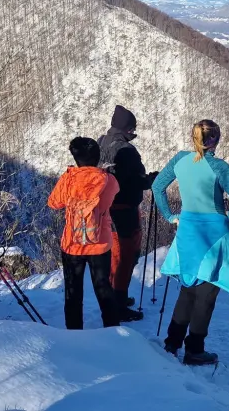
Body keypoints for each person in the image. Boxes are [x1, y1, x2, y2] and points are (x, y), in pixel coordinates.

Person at [152, 119, 229, 365]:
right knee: (206, 294)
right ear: (215, 140)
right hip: (213, 234)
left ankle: (172, 342)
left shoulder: (180, 160)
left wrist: (171, 217)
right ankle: (195, 349)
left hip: (187, 231)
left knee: (188, 287)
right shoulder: (218, 166)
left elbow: (157, 187)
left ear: (193, 137)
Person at [47, 137, 122, 330]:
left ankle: (74, 334)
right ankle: (113, 331)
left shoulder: (68, 179)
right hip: (100, 242)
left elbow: (53, 203)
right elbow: (115, 193)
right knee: (103, 287)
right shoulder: (109, 180)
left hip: (72, 243)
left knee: (73, 291)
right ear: (97, 157)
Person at [98, 105, 154, 320]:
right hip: (125, 209)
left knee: (114, 254)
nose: (133, 132)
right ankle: (119, 304)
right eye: (132, 128)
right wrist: (150, 180)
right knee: (127, 255)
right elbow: (137, 181)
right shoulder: (128, 151)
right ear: (127, 128)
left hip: (105, 209)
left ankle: (115, 296)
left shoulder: (101, 142)